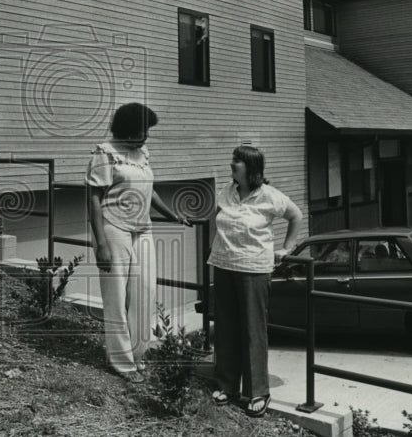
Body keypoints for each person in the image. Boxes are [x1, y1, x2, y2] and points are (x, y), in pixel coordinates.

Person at [86, 102, 190, 383]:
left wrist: (172, 214)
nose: (147, 135)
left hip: (143, 229)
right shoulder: (105, 153)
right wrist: (101, 244)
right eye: (143, 130)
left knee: (145, 293)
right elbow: (94, 199)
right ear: (129, 129)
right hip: (114, 228)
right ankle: (122, 363)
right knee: (116, 297)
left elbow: (149, 189)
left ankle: (138, 354)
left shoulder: (142, 153)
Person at [208, 144, 303, 416]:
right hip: (223, 265)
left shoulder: (270, 196)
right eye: (232, 159)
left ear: (251, 168)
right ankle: (226, 385)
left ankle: (257, 391)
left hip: (253, 269)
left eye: (237, 161)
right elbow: (216, 217)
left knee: (252, 329)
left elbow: (295, 216)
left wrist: (287, 248)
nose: (232, 164)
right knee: (225, 327)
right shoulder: (227, 191)